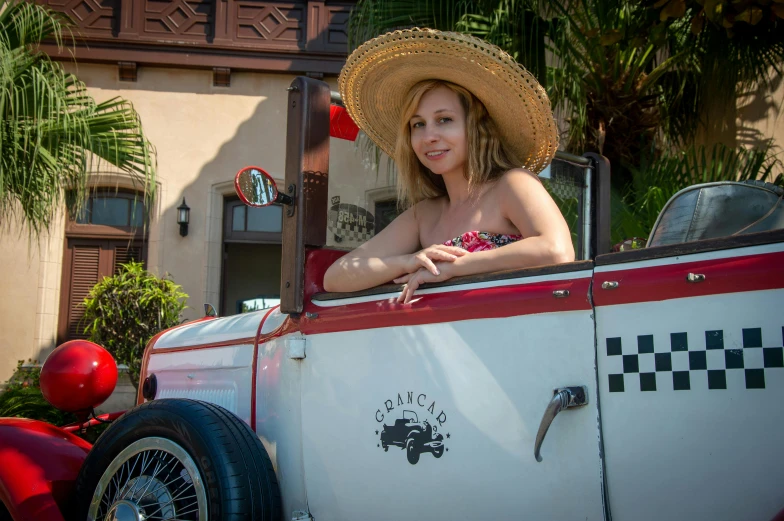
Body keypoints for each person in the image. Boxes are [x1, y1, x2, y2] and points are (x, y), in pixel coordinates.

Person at [323, 28, 574, 303]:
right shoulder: (424, 215)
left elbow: (557, 250)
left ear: (477, 128)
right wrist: (410, 262)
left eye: (444, 120)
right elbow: (336, 277)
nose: (429, 136)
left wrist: (454, 268)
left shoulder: (512, 184)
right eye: (418, 124)